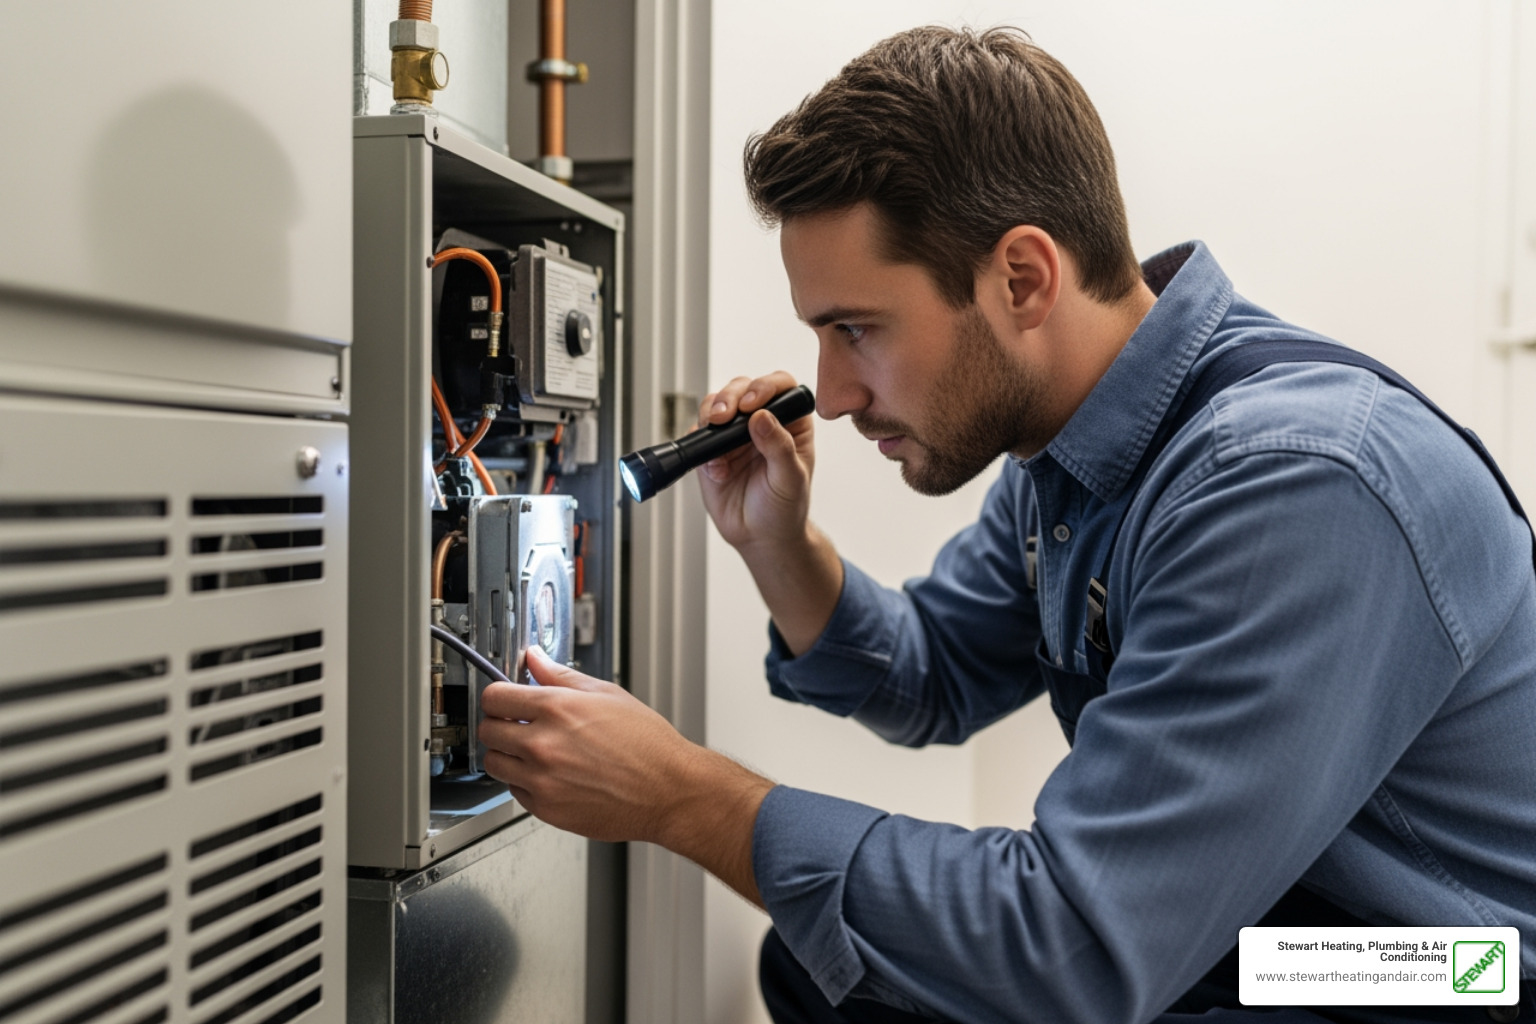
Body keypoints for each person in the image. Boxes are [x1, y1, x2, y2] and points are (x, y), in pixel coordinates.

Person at [477, 25, 1536, 1024]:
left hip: (1447, 963)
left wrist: (684, 796)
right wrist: (779, 547)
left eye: (858, 329)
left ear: (1022, 278)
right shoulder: (1074, 449)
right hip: (1282, 937)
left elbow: (1072, 946)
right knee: (832, 965)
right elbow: (930, 674)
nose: (833, 394)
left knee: (993, 963)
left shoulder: (1294, 485)